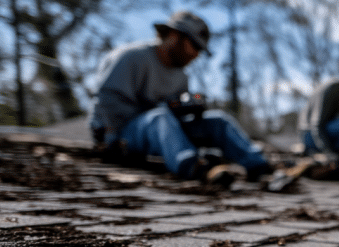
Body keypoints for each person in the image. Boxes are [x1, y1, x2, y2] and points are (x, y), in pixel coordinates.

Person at [89, 10, 275, 186]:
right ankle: (194, 167)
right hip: (123, 134)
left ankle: (260, 166)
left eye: (200, 49)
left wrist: (188, 106)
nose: (196, 54)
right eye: (194, 45)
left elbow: (174, 115)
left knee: (219, 120)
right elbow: (106, 101)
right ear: (174, 36)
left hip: (162, 130)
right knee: (159, 117)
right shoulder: (131, 57)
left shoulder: (181, 76)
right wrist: (109, 141)